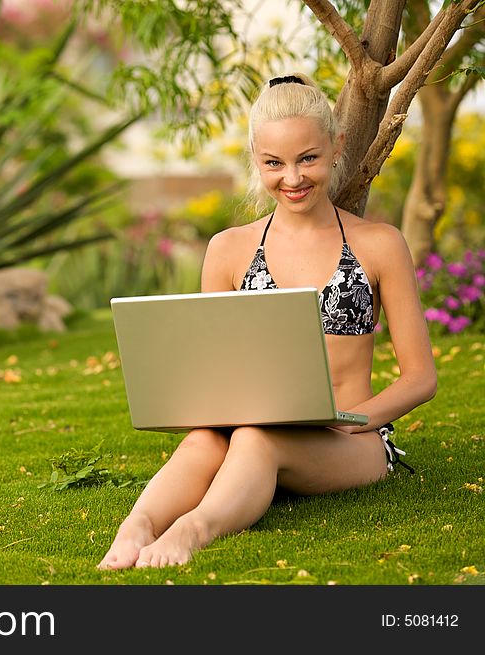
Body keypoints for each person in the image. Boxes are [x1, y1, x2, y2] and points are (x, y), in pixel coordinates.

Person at [97, 73, 437, 570]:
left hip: (351, 438)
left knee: (257, 439)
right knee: (206, 440)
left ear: (336, 147)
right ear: (255, 157)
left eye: (308, 159)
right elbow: (210, 371)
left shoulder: (379, 245)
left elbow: (420, 377)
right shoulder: (228, 249)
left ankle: (194, 528)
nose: (293, 178)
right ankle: (139, 525)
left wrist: (354, 423)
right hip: (246, 425)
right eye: (274, 163)